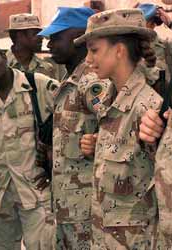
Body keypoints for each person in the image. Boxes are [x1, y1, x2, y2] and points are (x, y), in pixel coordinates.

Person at [75, 8, 163, 248]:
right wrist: (97, 148)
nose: (88, 60)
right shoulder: (109, 103)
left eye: (94, 50)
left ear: (119, 50)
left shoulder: (148, 108)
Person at [0, 33, 59, 250]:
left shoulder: (38, 86)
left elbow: (69, 124)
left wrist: (54, 170)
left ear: (4, 55)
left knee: (43, 246)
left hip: (35, 189)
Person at [38, 7, 112, 249]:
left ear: (80, 37)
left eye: (56, 38)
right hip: (67, 207)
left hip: (88, 211)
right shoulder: (70, 82)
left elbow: (118, 126)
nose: (49, 45)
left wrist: (96, 142)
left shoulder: (91, 82)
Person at [6, 13, 56, 78]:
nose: (41, 37)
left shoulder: (46, 69)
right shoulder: (1, 66)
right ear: (20, 36)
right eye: (36, 33)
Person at [139, 3, 172, 83]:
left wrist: (170, 23)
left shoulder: (166, 46)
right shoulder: (128, 48)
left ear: (153, 24)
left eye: (143, 23)